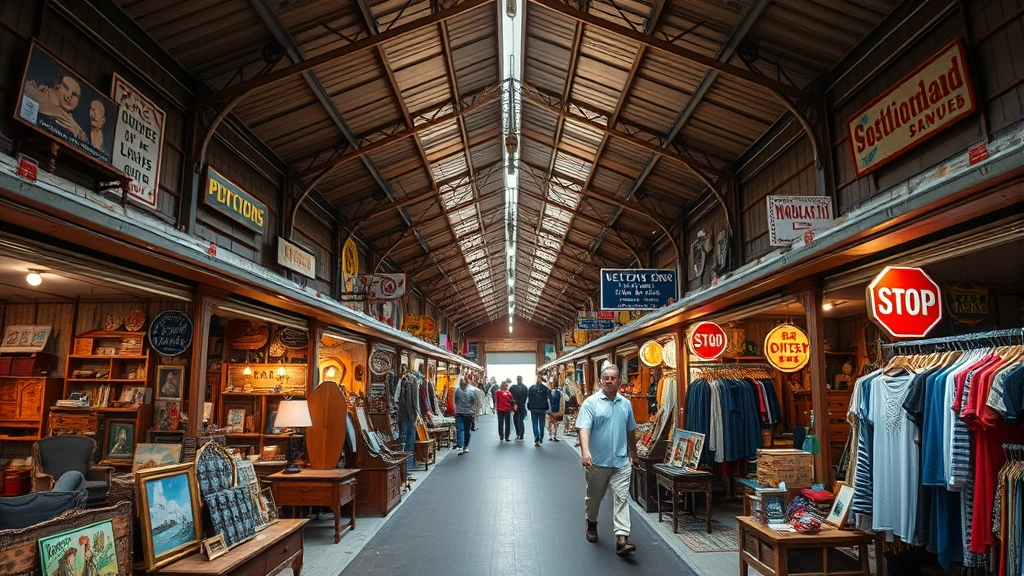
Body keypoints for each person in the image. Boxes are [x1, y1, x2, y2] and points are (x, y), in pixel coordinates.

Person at [577, 365, 638, 555]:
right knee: (594, 498)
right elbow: (584, 428)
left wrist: (633, 453)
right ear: (600, 381)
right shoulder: (591, 403)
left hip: (621, 462)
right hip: (598, 462)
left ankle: (621, 537)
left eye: (613, 378)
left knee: (621, 497)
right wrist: (585, 451)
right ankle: (592, 523)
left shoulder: (626, 404)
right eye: (606, 378)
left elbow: (631, 431)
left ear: (619, 380)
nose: (609, 381)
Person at [23, 67, 87, 140]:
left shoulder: (78, 132)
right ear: (58, 86)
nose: (68, 96)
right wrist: (58, 113)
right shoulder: (35, 92)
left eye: (74, 94)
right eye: (66, 88)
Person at [527, 374, 551, 446]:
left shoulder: (531, 388)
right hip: (542, 408)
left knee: (534, 423)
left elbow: (529, 398)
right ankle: (541, 438)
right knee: (541, 424)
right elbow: (549, 398)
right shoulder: (545, 388)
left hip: (533, 408)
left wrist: (529, 406)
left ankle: (536, 438)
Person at [453, 377, 475, 455]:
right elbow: (473, 402)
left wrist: (457, 408)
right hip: (468, 413)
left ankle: (460, 445)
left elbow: (455, 401)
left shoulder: (457, 390)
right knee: (466, 430)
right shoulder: (471, 391)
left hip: (460, 413)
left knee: (460, 429)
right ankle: (465, 446)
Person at [509, 375, 529, 441]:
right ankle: (520, 434)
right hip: (520, 406)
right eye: (518, 379)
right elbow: (525, 397)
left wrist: (513, 403)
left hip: (516, 406)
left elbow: (510, 396)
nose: (518, 380)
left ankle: (519, 434)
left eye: (519, 379)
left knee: (517, 420)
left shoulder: (513, 387)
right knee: (519, 420)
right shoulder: (525, 387)